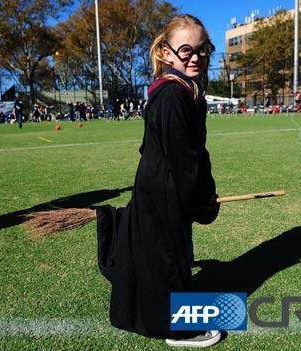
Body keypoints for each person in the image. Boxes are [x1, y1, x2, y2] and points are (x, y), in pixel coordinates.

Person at [95, 14, 221, 347]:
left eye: (202, 49)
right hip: (163, 192)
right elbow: (182, 162)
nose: (195, 57)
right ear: (166, 53)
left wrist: (205, 193)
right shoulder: (171, 96)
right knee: (168, 258)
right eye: (185, 50)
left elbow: (192, 152)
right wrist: (199, 201)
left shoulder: (186, 90)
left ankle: (173, 312)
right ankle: (179, 330)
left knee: (173, 255)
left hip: (165, 189)